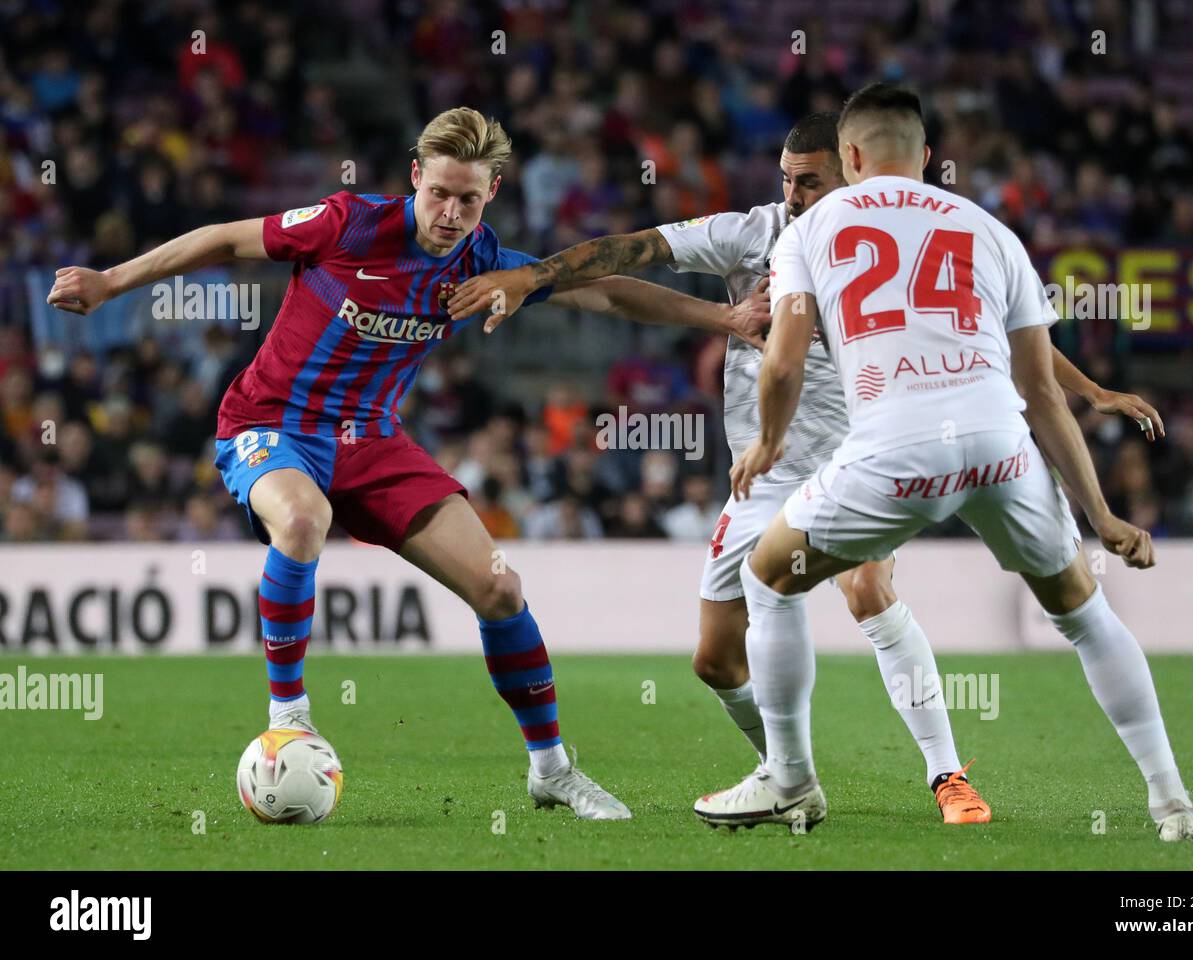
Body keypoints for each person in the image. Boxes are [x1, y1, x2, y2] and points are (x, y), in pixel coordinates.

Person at [46, 106, 767, 822]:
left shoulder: (486, 264)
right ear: (415, 177)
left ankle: (552, 769)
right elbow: (222, 241)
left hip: (374, 443)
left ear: (494, 196)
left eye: (469, 200)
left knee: (500, 589)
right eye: (439, 194)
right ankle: (288, 717)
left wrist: (726, 319)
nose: (451, 213)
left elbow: (608, 291)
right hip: (270, 424)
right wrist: (112, 281)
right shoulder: (349, 222)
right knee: (302, 520)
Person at [448, 112, 1164, 825]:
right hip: (769, 473)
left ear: (853, 168)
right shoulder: (752, 234)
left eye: (810, 181)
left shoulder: (890, 238)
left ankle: (947, 776)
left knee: (868, 588)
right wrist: (532, 275)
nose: (793, 196)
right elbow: (631, 252)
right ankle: (785, 769)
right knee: (716, 660)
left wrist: (1090, 391)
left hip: (867, 455)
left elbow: (1004, 332)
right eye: (787, 181)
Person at [707, 83, 1193, 841]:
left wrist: (770, 442)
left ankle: (791, 778)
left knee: (767, 577)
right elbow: (1041, 393)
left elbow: (781, 364)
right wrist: (1100, 514)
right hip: (998, 445)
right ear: (927, 157)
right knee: (1083, 613)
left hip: (893, 448)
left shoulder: (809, 230)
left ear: (849, 157)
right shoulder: (992, 231)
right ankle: (1173, 803)